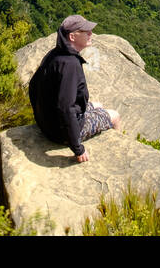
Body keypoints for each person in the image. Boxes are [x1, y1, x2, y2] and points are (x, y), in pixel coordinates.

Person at [28, 14, 122, 161]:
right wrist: (77, 148)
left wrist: (41, 116)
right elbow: (66, 108)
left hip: (47, 125)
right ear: (72, 37)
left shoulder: (54, 54)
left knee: (98, 105)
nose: (91, 33)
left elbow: (33, 86)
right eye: (86, 32)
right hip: (60, 132)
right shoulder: (70, 64)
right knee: (115, 116)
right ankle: (119, 155)